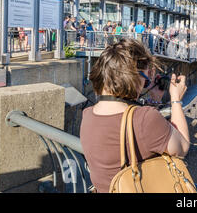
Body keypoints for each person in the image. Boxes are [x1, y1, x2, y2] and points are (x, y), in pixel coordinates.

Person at [80, 38, 189, 193]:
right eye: (144, 80)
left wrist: (154, 101)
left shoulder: (88, 114)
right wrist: (176, 99)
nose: (144, 85)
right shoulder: (145, 119)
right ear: (134, 77)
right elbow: (183, 146)